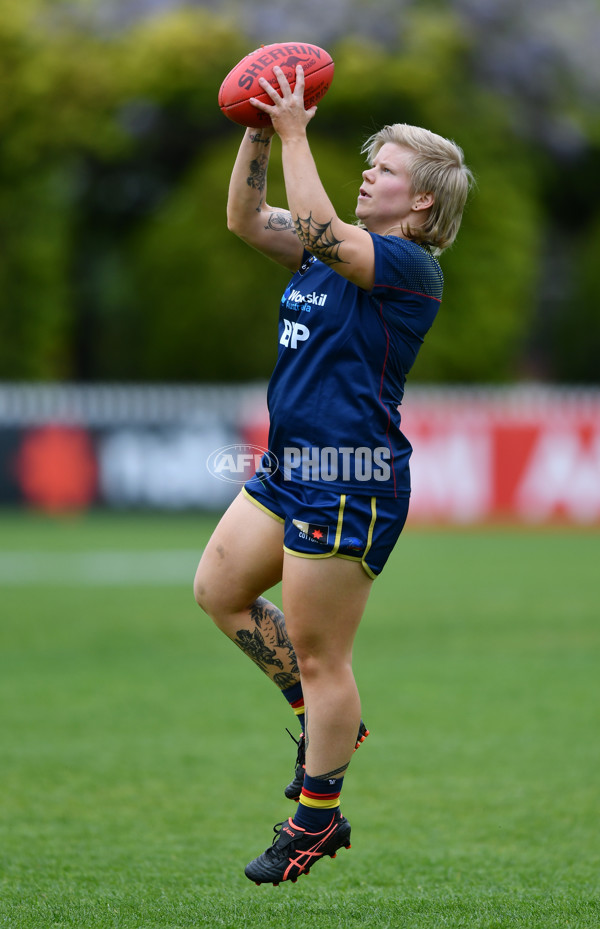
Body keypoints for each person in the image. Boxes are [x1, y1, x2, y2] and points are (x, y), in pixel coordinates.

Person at [194, 64, 473, 885]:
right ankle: (324, 724)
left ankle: (315, 821)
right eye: (371, 162)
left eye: (384, 169)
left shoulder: (406, 266)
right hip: (289, 470)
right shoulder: (328, 253)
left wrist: (294, 132)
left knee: (324, 657)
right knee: (219, 592)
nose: (369, 174)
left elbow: (320, 231)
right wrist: (255, 127)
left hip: (351, 478)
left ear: (420, 201)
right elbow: (246, 218)